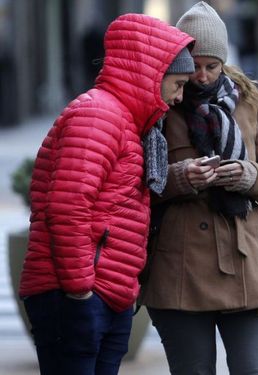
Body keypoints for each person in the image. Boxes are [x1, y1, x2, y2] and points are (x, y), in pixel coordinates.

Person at [19, 13, 195, 375]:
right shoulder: (98, 115)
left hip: (106, 293)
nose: (179, 97)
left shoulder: (128, 122)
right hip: (77, 294)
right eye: (177, 84)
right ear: (153, 74)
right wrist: (81, 291)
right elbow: (66, 207)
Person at [137, 2, 258, 375]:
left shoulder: (249, 101)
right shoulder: (159, 103)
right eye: (194, 66)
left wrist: (247, 175)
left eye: (212, 66)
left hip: (246, 264)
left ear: (224, 62)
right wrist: (180, 177)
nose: (202, 77)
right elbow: (135, 186)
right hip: (181, 268)